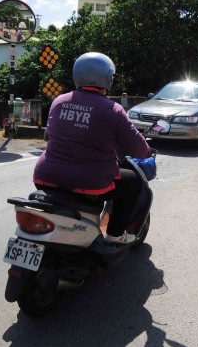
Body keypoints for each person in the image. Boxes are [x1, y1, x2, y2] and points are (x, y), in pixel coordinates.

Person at [33, 52, 151, 244]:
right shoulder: (113, 110)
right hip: (89, 184)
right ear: (108, 77)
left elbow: (51, 134)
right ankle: (114, 234)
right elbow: (138, 149)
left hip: (45, 178)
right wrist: (147, 151)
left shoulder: (58, 101)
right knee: (134, 184)